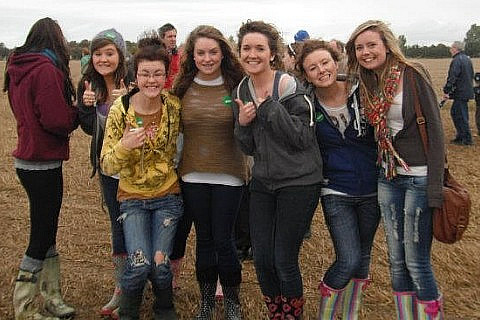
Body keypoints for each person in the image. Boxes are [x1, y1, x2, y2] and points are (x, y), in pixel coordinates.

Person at [346, 20, 445, 320]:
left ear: (386, 45)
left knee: (416, 262)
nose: (365, 52)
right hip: (388, 178)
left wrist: (435, 190)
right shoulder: (366, 81)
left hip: (419, 178)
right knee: (396, 260)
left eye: (371, 45)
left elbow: (437, 134)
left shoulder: (411, 74)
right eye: (359, 47)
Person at [233, 20, 323, 319]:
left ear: (272, 53)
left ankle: (293, 315)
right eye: (247, 48)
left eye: (260, 48)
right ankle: (277, 313)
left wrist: (270, 108)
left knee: (284, 258)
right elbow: (248, 147)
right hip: (263, 182)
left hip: (298, 181)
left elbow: (301, 138)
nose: (252, 54)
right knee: (262, 258)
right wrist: (243, 124)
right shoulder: (242, 88)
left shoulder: (289, 86)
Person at [296, 39, 380, 320]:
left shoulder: (363, 93)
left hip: (372, 188)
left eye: (325, 62)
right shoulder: (306, 106)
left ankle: (350, 313)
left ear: (336, 61)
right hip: (336, 191)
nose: (321, 70)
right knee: (348, 259)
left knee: (363, 257)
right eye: (312, 68)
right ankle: (328, 314)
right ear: (305, 74)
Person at [100, 40, 182, 319]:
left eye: (158, 73)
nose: (151, 80)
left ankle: (164, 308)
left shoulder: (173, 107)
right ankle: (129, 311)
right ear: (135, 76)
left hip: (167, 198)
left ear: (165, 75)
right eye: (145, 74)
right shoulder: (119, 110)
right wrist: (125, 145)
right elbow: (107, 163)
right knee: (138, 266)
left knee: (160, 267)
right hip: (131, 200)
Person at [4, 17, 78, 320]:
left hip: (27, 159)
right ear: (57, 41)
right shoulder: (46, 70)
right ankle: (24, 304)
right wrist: (79, 113)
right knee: (41, 233)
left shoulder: (19, 67)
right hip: (42, 162)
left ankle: (51, 295)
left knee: (47, 229)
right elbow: (56, 120)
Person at [172, 25, 247, 319]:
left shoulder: (237, 84)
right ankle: (206, 300)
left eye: (213, 52)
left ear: (223, 53)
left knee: (224, 240)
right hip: (192, 176)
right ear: (192, 55)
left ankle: (231, 300)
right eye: (200, 53)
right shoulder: (182, 86)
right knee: (204, 239)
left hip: (230, 174)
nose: (207, 58)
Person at [77, 28, 131, 318]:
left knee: (137, 226)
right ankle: (121, 288)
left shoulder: (134, 81)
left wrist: (129, 101)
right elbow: (87, 128)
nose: (103, 59)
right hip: (109, 170)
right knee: (117, 226)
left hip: (137, 170)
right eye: (98, 53)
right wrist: (86, 108)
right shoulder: (88, 85)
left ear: (120, 54)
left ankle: (142, 282)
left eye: (109, 53)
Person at [443, 41, 475, 146]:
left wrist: (447, 90)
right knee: (456, 113)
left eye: (451, 47)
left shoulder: (457, 60)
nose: (450, 49)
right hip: (465, 91)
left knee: (460, 115)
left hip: (461, 92)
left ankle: (466, 139)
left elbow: (453, 76)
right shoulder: (466, 59)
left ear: (456, 48)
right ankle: (460, 136)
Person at [159, 23, 181, 89]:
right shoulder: (155, 57)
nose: (173, 39)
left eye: (175, 36)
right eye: (170, 36)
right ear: (162, 39)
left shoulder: (179, 56)